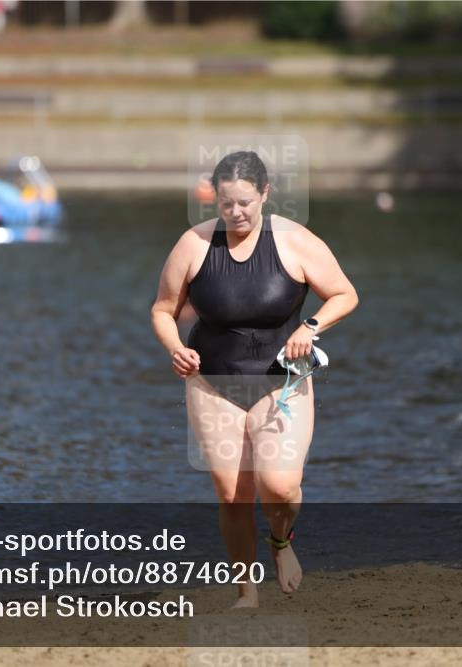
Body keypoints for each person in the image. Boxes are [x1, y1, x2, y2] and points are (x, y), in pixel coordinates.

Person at [151, 151, 358, 608]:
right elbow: (163, 310)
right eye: (226, 203)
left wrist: (311, 327)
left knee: (280, 488)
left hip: (281, 382)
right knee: (233, 494)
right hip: (212, 381)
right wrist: (175, 348)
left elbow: (345, 294)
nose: (236, 212)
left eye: (245, 202)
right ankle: (246, 591)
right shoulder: (194, 244)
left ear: (265, 193)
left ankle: (281, 541)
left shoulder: (294, 241)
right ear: (215, 199)